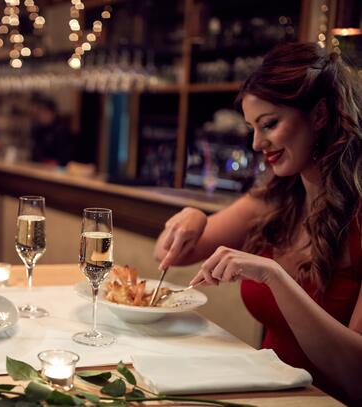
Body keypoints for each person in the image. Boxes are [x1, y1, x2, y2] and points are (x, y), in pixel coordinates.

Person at [153, 43, 361, 404]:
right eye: (252, 127)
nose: (256, 142)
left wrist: (274, 276)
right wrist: (194, 217)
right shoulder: (276, 198)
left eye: (269, 124)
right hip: (265, 397)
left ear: (320, 115)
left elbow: (358, 376)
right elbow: (168, 254)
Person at [30, 97, 73, 166]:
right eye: (39, 112)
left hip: (55, 171)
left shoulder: (61, 131)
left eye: (44, 112)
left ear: (52, 113)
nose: (41, 115)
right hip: (39, 168)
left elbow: (65, 157)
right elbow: (36, 154)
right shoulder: (39, 130)